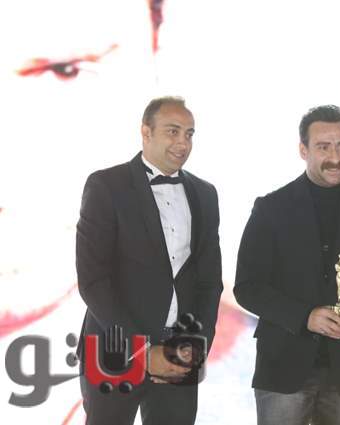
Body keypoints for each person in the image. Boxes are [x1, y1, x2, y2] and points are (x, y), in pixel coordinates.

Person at [234, 105, 340, 425]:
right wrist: (305, 318)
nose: (335, 157)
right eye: (323, 147)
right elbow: (248, 287)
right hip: (283, 365)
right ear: (303, 150)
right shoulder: (270, 209)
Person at [76, 96, 223, 425]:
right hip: (114, 349)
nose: (183, 143)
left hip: (179, 351)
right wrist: (142, 350)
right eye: (173, 131)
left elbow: (209, 280)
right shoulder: (106, 185)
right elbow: (93, 281)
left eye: (189, 134)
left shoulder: (205, 193)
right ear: (146, 132)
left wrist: (197, 344)